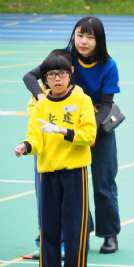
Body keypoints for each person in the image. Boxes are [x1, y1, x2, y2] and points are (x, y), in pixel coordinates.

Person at [23, 16, 121, 253]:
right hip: (60, 129)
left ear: (99, 40)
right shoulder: (64, 57)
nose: (83, 41)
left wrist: (91, 129)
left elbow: (107, 104)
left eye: (90, 36)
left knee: (103, 183)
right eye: (80, 35)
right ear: (73, 36)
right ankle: (77, 230)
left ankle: (109, 233)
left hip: (95, 128)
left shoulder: (109, 65)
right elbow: (29, 77)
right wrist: (40, 96)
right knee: (66, 183)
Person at [15, 50, 96, 266]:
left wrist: (64, 132)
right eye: (51, 75)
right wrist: (26, 146)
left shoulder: (82, 100)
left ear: (70, 74)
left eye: (61, 74)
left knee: (74, 230)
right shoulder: (40, 105)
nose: (57, 79)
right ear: (45, 80)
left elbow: (89, 135)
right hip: (48, 173)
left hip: (74, 173)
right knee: (49, 229)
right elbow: (35, 138)